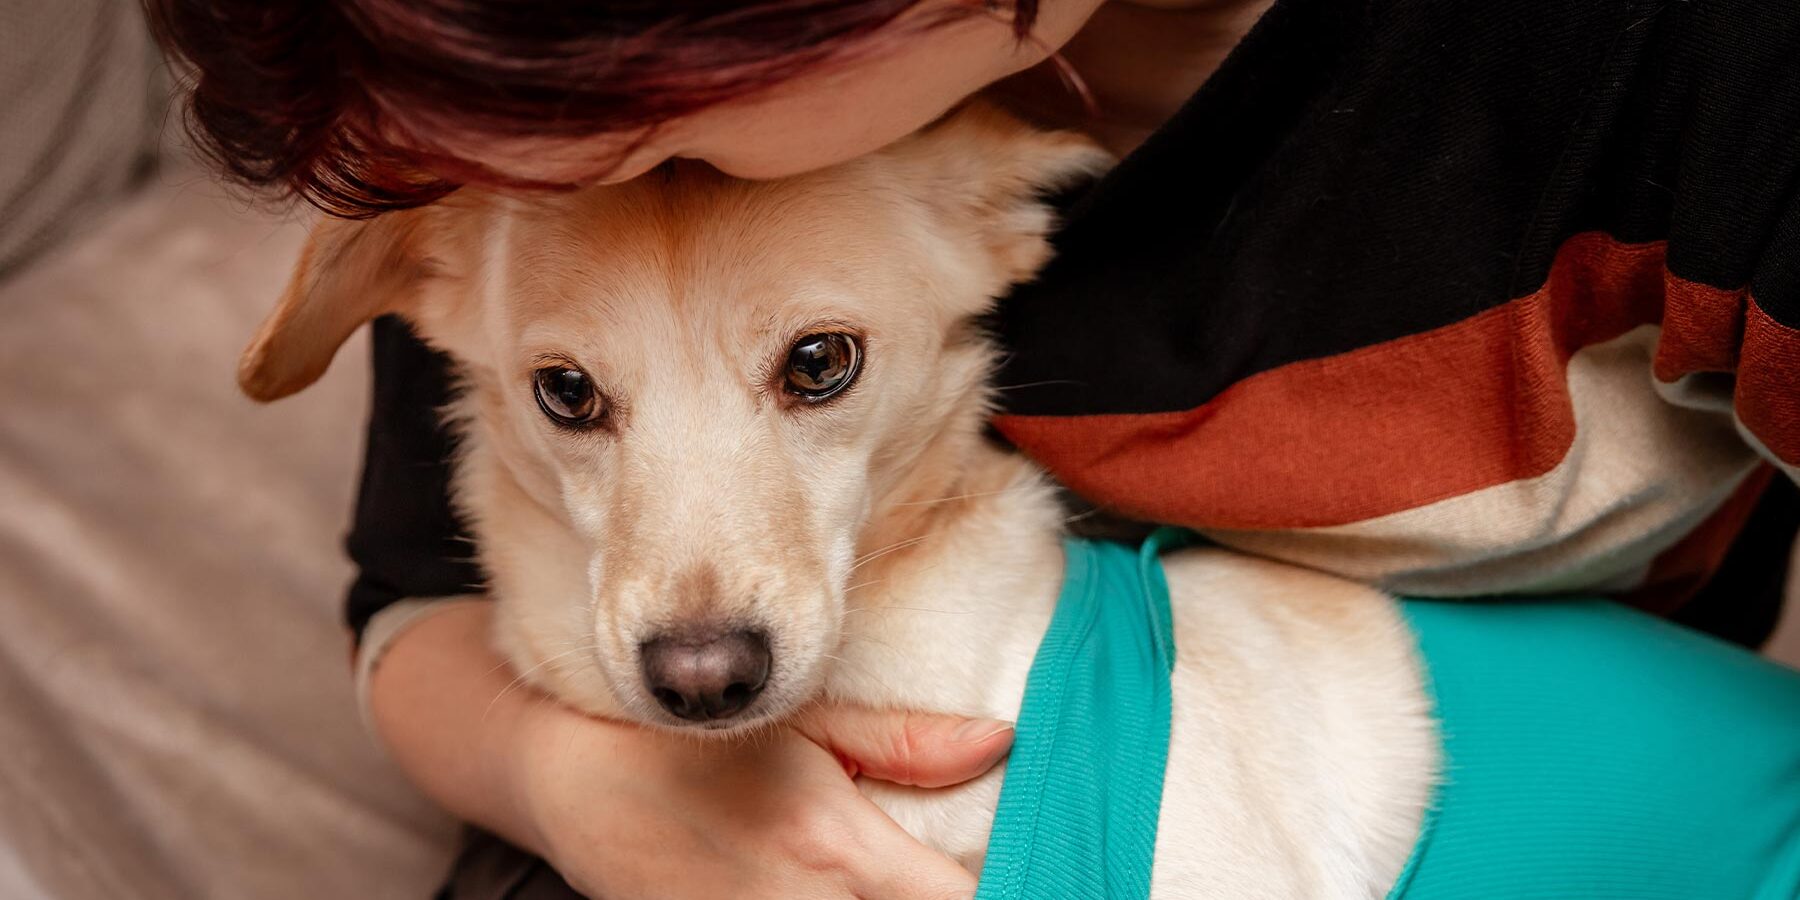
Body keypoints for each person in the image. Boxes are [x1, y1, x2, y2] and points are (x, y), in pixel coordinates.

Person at [147, 0, 1800, 897]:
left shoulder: (1685, 64)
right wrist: (588, 786)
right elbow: (415, 593)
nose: (570, 175)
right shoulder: (524, 135)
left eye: (641, 125)